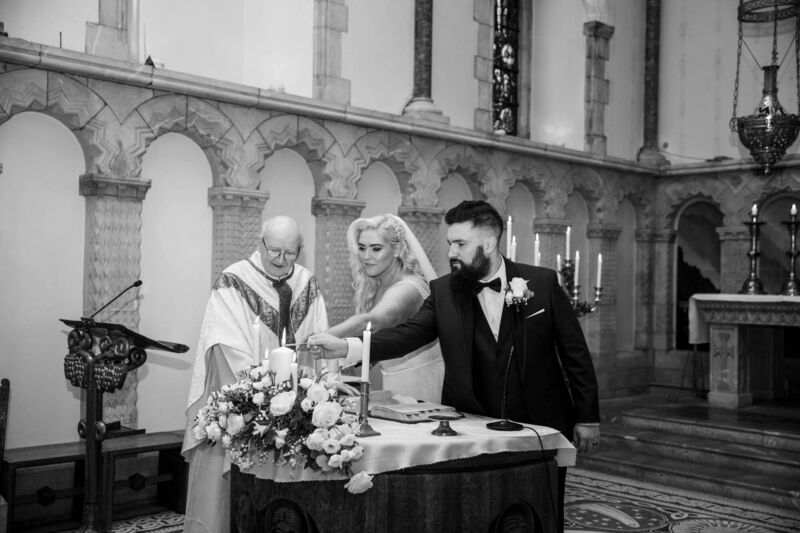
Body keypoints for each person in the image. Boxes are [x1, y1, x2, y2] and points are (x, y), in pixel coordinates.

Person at [308, 200, 600, 532]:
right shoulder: (445, 291)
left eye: (460, 243)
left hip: (540, 421)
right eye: (450, 243)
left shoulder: (541, 283)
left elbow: (575, 352)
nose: (451, 252)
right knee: (479, 510)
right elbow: (408, 335)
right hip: (473, 423)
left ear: (488, 244)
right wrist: (348, 347)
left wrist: (587, 416)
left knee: (541, 511)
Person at [181, 215, 331, 533]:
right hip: (247, 403)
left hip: (296, 409)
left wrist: (306, 391)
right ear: (260, 243)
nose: (280, 260)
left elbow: (319, 342)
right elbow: (224, 343)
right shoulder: (234, 280)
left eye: (290, 253)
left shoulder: (307, 283)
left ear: (300, 250)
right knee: (233, 497)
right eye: (274, 250)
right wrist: (260, 390)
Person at [325, 214, 444, 402]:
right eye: (362, 248)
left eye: (376, 249)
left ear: (397, 249)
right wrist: (336, 367)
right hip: (394, 386)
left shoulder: (408, 288)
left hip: (421, 386)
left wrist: (325, 336)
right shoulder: (375, 286)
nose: (366, 256)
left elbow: (373, 321)